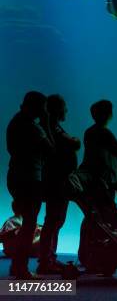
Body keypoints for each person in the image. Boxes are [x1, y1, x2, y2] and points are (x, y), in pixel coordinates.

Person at [5, 91, 54, 279]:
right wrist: (47, 122)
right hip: (30, 179)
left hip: (16, 176)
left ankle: (17, 265)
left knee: (27, 222)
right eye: (43, 108)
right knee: (29, 224)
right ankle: (21, 268)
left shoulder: (14, 122)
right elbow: (51, 151)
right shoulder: (33, 128)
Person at [38, 95, 81, 274]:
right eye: (64, 107)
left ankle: (48, 259)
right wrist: (74, 141)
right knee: (53, 220)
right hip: (56, 181)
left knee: (55, 220)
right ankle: (46, 261)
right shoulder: (52, 128)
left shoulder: (52, 127)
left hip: (56, 180)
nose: (66, 111)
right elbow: (73, 143)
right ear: (57, 109)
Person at [78, 100, 117, 210]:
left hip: (92, 177)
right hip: (104, 179)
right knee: (105, 210)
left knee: (92, 211)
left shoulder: (89, 131)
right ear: (108, 114)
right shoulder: (104, 132)